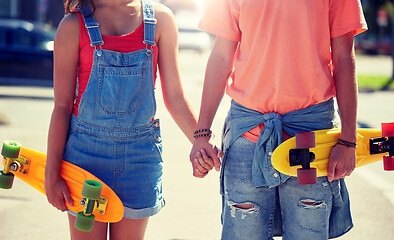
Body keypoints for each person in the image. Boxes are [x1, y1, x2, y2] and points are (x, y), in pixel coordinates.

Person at [190, 0, 368, 239]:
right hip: (248, 135)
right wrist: (201, 135)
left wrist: (348, 140)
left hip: (311, 138)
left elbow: (344, 58)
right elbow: (221, 56)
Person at [44, 0, 218, 239]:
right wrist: (51, 175)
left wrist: (201, 140)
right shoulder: (73, 25)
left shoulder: (161, 20)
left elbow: (175, 96)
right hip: (85, 158)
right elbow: (62, 107)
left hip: (140, 160)